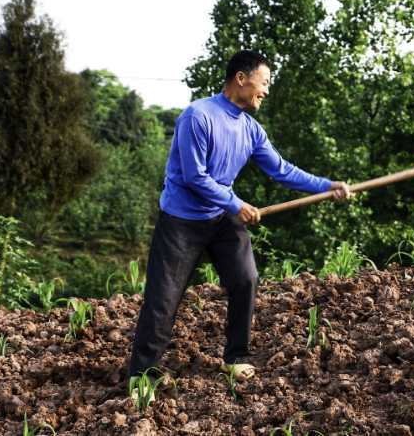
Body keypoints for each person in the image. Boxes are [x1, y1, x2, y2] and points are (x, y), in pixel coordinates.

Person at [126, 49, 351, 398]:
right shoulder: (197, 116)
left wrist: (326, 185)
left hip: (221, 217)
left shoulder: (251, 129)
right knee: (163, 299)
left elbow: (282, 170)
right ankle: (141, 376)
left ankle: (235, 356)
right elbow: (194, 176)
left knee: (245, 279)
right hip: (182, 221)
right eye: (264, 82)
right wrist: (236, 203)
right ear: (241, 78)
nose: (266, 90)